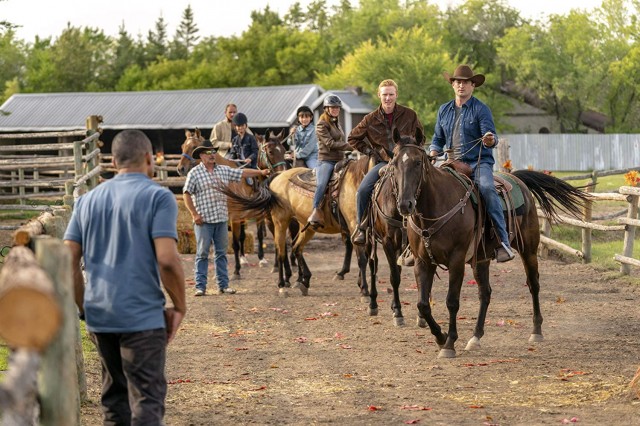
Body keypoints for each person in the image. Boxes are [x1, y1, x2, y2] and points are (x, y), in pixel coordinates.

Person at [63, 129, 186, 425]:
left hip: (100, 315)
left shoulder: (87, 201)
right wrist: (179, 306)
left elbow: (67, 260)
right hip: (141, 316)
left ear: (113, 161)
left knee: (115, 401)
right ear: (148, 159)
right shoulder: (158, 197)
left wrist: (84, 307)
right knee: (146, 399)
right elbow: (167, 260)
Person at [429, 64, 515, 262]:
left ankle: (503, 242)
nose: (461, 86)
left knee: (486, 188)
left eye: (465, 83)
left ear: (472, 86)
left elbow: (492, 136)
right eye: (458, 82)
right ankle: (418, 244)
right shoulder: (444, 110)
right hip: (450, 163)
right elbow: (437, 138)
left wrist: (489, 140)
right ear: (453, 85)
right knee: (427, 186)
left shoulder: (481, 109)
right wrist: (433, 151)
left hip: (478, 163)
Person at [183, 142, 270, 296]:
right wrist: (194, 214)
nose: (211, 155)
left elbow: (242, 174)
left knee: (221, 253)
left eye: (213, 152)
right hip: (203, 221)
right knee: (202, 254)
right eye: (208, 153)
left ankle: (223, 285)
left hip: (221, 219)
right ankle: (200, 286)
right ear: (201, 156)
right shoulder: (194, 173)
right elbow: (186, 194)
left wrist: (260, 172)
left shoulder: (223, 170)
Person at [349, 79, 424, 247]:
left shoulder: (410, 115)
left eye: (391, 94)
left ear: (396, 95)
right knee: (362, 190)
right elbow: (352, 138)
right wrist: (371, 152)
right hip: (383, 163)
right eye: (385, 95)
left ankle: (428, 225)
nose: (388, 98)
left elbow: (421, 137)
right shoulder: (370, 119)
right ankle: (362, 227)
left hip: (407, 163)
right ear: (379, 96)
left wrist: (412, 153)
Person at [307, 95, 351, 228]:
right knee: (322, 184)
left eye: (337, 107)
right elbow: (330, 143)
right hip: (326, 160)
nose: (336, 110)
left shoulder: (336, 123)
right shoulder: (321, 124)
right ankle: (315, 210)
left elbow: (340, 141)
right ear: (326, 108)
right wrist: (350, 146)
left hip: (340, 159)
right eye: (333, 107)